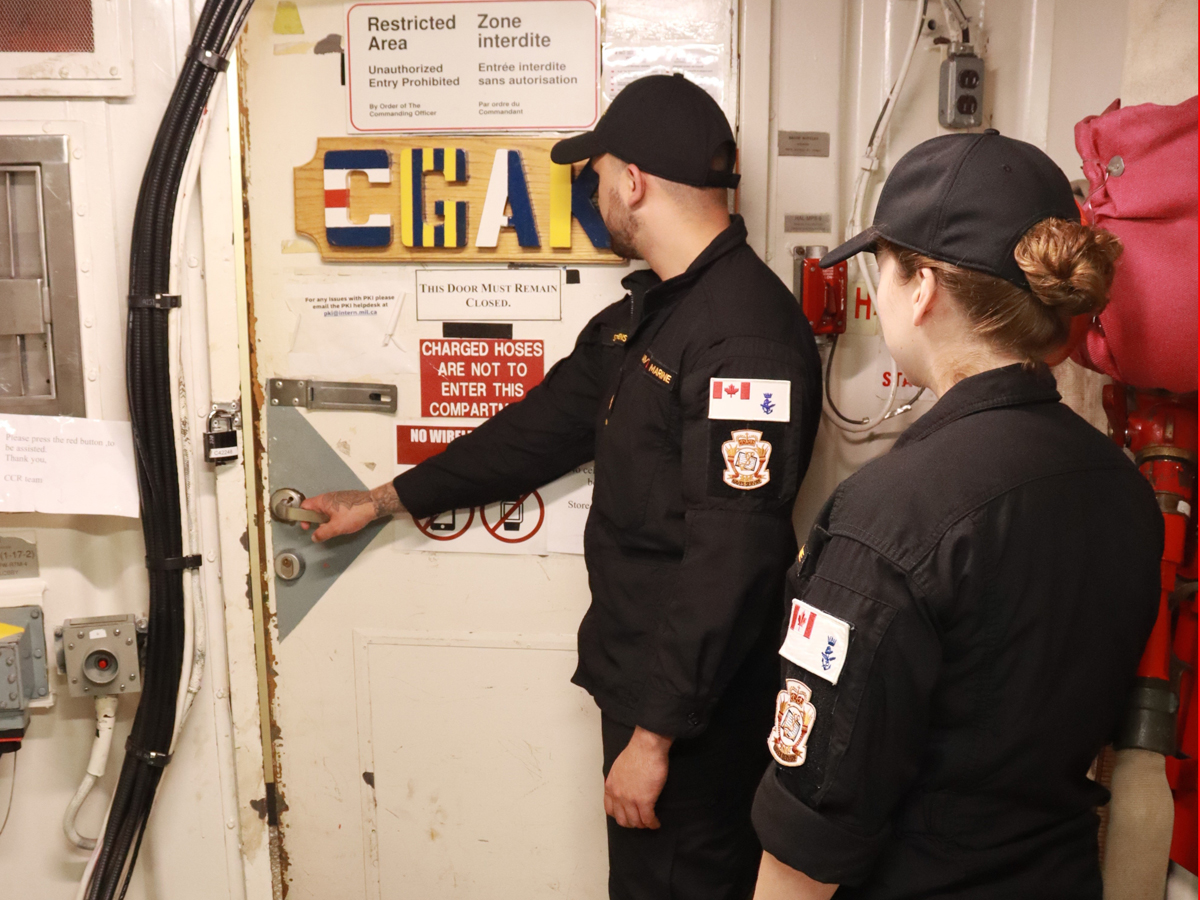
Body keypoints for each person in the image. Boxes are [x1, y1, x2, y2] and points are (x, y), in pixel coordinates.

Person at [302, 74, 822, 900]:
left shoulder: (743, 334)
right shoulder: (649, 316)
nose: (592, 189)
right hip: (651, 685)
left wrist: (655, 740)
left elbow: (734, 555)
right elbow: (533, 433)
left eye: (597, 172)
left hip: (695, 711)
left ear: (633, 181)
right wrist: (384, 499)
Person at [750, 130, 1163, 899]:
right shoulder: (1121, 485)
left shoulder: (888, 518)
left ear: (923, 288)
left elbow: (811, 838)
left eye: (882, 268)